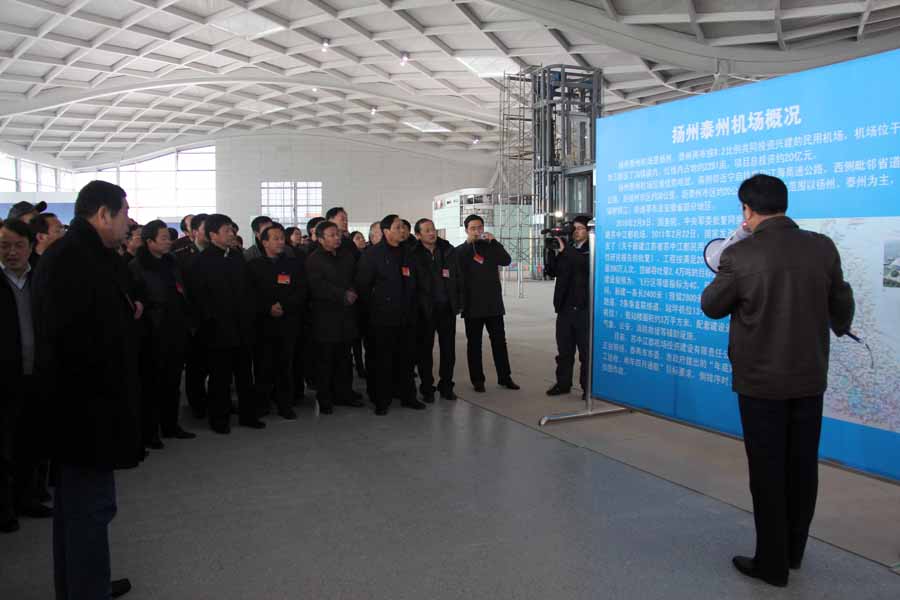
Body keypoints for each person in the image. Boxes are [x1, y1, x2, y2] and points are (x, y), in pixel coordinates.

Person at [700, 174, 855, 588]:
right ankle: (794, 552)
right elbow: (841, 300)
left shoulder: (740, 255)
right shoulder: (822, 247)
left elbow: (711, 305)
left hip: (760, 382)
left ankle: (772, 563)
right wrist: (840, 324)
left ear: (747, 210)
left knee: (767, 470)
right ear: (784, 205)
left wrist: (731, 249)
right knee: (802, 466)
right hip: (809, 377)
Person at [32, 180, 143, 600]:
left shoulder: (86, 256)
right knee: (88, 508)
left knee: (82, 508)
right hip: (84, 411)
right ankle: (87, 590)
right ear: (102, 214)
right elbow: (77, 340)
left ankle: (83, 584)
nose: (128, 221)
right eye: (124, 213)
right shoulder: (73, 261)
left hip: (87, 407)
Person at [0, 219, 52, 535]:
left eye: (18, 245)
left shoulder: (41, 279)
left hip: (37, 375)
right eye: (4, 246)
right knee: (3, 448)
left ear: (31, 247)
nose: (11, 252)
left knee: (32, 442)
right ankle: (4, 509)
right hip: (4, 379)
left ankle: (28, 498)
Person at [189, 214, 263, 433]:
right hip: (217, 329)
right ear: (213, 235)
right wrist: (213, 321)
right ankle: (219, 420)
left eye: (232, 230)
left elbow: (249, 289)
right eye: (227, 231)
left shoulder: (237, 257)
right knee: (220, 378)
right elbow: (199, 298)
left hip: (242, 327)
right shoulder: (201, 262)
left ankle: (248, 415)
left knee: (245, 375)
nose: (232, 234)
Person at [129, 220, 196, 447]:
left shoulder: (171, 262)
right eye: (164, 238)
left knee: (172, 380)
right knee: (152, 384)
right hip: (152, 331)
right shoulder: (137, 266)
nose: (169, 242)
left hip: (175, 328)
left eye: (169, 237)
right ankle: (150, 432)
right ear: (149, 242)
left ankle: (171, 425)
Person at [356, 215, 426, 415]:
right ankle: (380, 399)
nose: (402, 230)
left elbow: (417, 282)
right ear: (386, 231)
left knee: (406, 359)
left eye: (403, 227)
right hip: (381, 318)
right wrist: (371, 312)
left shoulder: (408, 253)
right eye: (397, 227)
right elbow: (363, 286)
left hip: (407, 316)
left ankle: (407, 396)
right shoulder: (372, 254)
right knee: (381, 361)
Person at [246, 223, 307, 420]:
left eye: (282, 239)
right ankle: (262, 404)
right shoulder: (253, 266)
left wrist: (284, 306)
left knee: (285, 366)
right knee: (263, 366)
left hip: (287, 322)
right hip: (263, 324)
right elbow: (249, 294)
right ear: (264, 242)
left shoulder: (293, 264)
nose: (281, 242)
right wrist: (267, 308)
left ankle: (285, 405)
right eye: (276, 239)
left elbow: (301, 290)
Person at [456, 215, 519, 392]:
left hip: (493, 305)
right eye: (473, 228)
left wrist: (495, 242)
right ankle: (477, 380)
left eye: (480, 227)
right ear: (466, 230)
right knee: (474, 345)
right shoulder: (460, 251)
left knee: (499, 343)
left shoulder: (491, 247)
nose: (477, 231)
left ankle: (505, 377)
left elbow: (506, 260)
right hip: (472, 306)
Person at [305, 220, 361, 414]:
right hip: (325, 317)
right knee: (325, 360)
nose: (337, 238)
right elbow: (317, 286)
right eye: (331, 235)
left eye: (338, 234)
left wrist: (352, 291)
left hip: (346, 315)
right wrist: (341, 294)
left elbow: (354, 277)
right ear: (320, 239)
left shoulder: (346, 256)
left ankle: (344, 393)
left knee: (344, 358)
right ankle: (325, 398)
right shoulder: (314, 260)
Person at [411, 218, 460, 401]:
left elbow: (458, 277)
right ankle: (427, 387)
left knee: (448, 350)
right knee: (425, 351)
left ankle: (446, 385)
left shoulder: (447, 250)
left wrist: (458, 302)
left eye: (433, 229)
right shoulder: (413, 254)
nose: (432, 233)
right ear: (418, 235)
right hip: (425, 310)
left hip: (446, 308)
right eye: (427, 230)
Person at [546, 215, 590, 399]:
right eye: (574, 228)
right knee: (564, 350)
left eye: (580, 228)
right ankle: (563, 383)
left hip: (584, 309)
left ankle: (588, 388)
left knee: (586, 352)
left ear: (589, 230)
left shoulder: (592, 249)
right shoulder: (567, 248)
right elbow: (552, 272)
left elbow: (584, 265)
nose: (575, 232)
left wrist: (566, 250)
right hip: (564, 308)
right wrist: (551, 252)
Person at [178, 213, 209, 419]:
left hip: (215, 318)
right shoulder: (181, 256)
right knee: (196, 366)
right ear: (195, 231)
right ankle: (197, 404)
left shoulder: (221, 254)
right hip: (194, 319)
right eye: (207, 228)